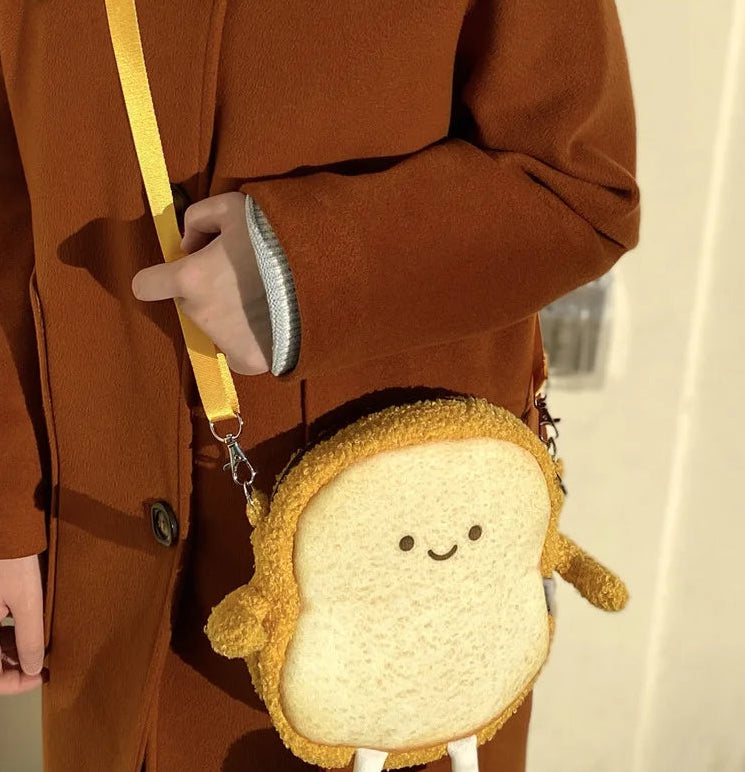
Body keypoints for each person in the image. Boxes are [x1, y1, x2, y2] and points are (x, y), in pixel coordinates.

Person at [0, 0, 641, 769]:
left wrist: (298, 272)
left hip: (388, 607)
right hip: (94, 573)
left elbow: (580, 186)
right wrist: (8, 502)